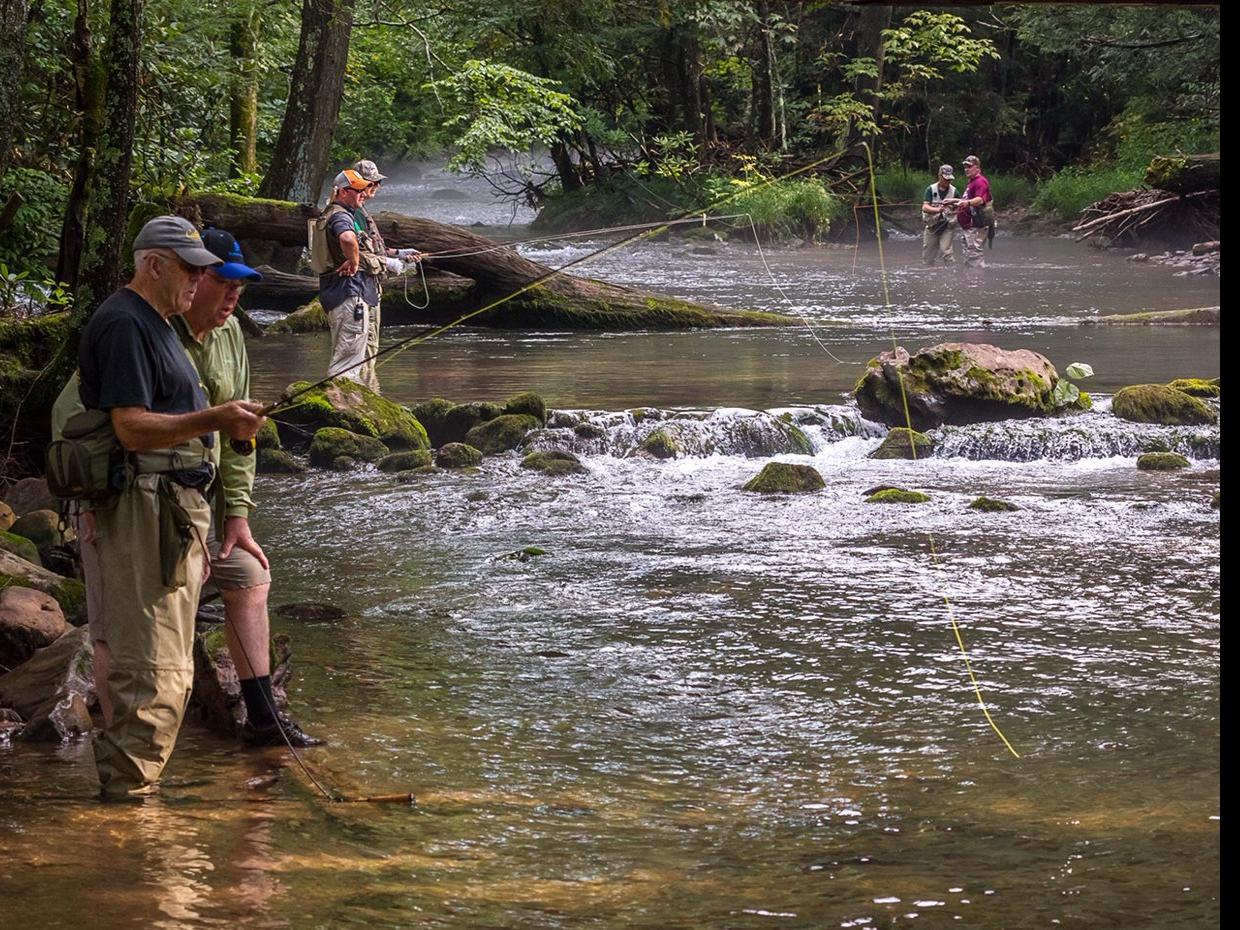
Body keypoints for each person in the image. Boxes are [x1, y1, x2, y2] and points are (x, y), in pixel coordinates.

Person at [73, 215, 265, 799]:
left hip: (174, 511)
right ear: (152, 265)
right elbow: (130, 429)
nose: (199, 281)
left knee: (169, 664)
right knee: (153, 665)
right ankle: (129, 810)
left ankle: (134, 800)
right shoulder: (126, 324)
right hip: (142, 509)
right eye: (191, 270)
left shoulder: (159, 324)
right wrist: (215, 418)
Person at [318, 168, 385, 391]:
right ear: (343, 192)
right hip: (349, 294)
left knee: (349, 359)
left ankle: (351, 407)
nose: (362, 194)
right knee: (347, 364)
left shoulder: (332, 212)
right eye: (357, 191)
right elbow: (347, 238)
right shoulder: (340, 214)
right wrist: (354, 261)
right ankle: (345, 411)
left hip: (338, 293)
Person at [957, 154, 995, 268]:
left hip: (976, 225)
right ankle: (970, 280)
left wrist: (966, 203)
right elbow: (966, 199)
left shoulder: (980, 181)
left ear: (978, 168)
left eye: (969, 166)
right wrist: (952, 201)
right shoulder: (972, 182)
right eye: (965, 167)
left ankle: (977, 281)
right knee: (970, 255)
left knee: (974, 254)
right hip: (969, 225)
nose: (966, 169)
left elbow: (979, 200)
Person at [921, 164, 958, 266]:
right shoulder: (930, 189)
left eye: (949, 179)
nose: (948, 182)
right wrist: (938, 209)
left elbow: (960, 206)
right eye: (946, 179)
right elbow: (925, 207)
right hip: (932, 225)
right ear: (939, 176)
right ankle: (929, 274)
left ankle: (952, 273)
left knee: (946, 251)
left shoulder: (954, 191)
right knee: (928, 256)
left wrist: (953, 205)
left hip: (947, 226)